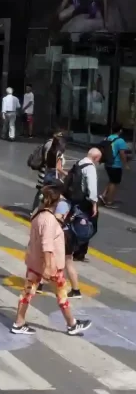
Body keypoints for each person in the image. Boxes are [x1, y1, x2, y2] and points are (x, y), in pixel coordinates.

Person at [10, 184, 92, 336]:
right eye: (60, 199)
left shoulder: (38, 213)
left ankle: (19, 322)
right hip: (50, 266)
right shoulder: (48, 220)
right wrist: (48, 267)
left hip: (35, 262)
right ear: (55, 202)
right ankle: (72, 324)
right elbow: (47, 244)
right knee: (61, 295)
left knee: (27, 293)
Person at [69, 147, 101, 262]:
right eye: (98, 160)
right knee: (90, 226)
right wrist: (94, 204)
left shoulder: (79, 163)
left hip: (75, 198)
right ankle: (79, 252)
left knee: (77, 222)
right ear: (96, 158)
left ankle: (73, 248)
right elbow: (92, 189)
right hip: (85, 201)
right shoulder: (90, 168)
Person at [100, 123, 129, 207]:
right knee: (114, 183)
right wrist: (126, 164)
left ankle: (104, 195)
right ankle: (109, 202)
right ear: (120, 130)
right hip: (115, 164)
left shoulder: (108, 138)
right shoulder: (120, 141)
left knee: (111, 180)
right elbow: (122, 154)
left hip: (107, 163)